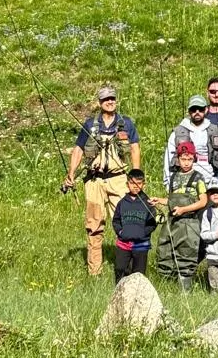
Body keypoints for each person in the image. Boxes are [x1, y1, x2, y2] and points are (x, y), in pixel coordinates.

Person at [64, 86, 140, 277]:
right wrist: (71, 173)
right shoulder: (89, 125)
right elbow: (78, 150)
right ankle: (94, 272)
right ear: (100, 103)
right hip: (94, 181)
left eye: (112, 98)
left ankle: (128, 270)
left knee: (126, 223)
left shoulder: (126, 123)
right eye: (106, 99)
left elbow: (134, 148)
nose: (110, 101)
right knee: (94, 226)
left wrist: (136, 174)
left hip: (119, 180)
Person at [153, 141, 208, 289]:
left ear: (194, 158)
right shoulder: (173, 177)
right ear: (178, 159)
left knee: (186, 254)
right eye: (183, 159)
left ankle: (185, 290)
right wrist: (159, 201)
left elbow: (203, 201)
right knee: (165, 252)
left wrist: (184, 209)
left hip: (189, 223)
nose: (186, 162)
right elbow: (172, 200)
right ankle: (166, 287)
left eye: (189, 159)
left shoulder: (198, 177)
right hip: (172, 222)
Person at [162, 94, 218, 188]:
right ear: (189, 111)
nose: (197, 112)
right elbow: (168, 158)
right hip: (184, 183)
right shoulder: (177, 132)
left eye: (200, 109)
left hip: (210, 182)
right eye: (193, 109)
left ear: (206, 110)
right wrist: (168, 183)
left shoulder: (215, 130)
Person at [111, 169, 157, 282]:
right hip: (123, 244)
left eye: (139, 183)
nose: (135, 186)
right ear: (127, 184)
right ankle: (120, 291)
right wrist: (121, 232)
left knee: (139, 274)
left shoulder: (148, 203)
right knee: (120, 269)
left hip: (141, 244)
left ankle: (138, 292)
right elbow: (116, 221)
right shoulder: (122, 203)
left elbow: (152, 223)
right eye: (132, 183)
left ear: (143, 184)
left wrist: (142, 233)